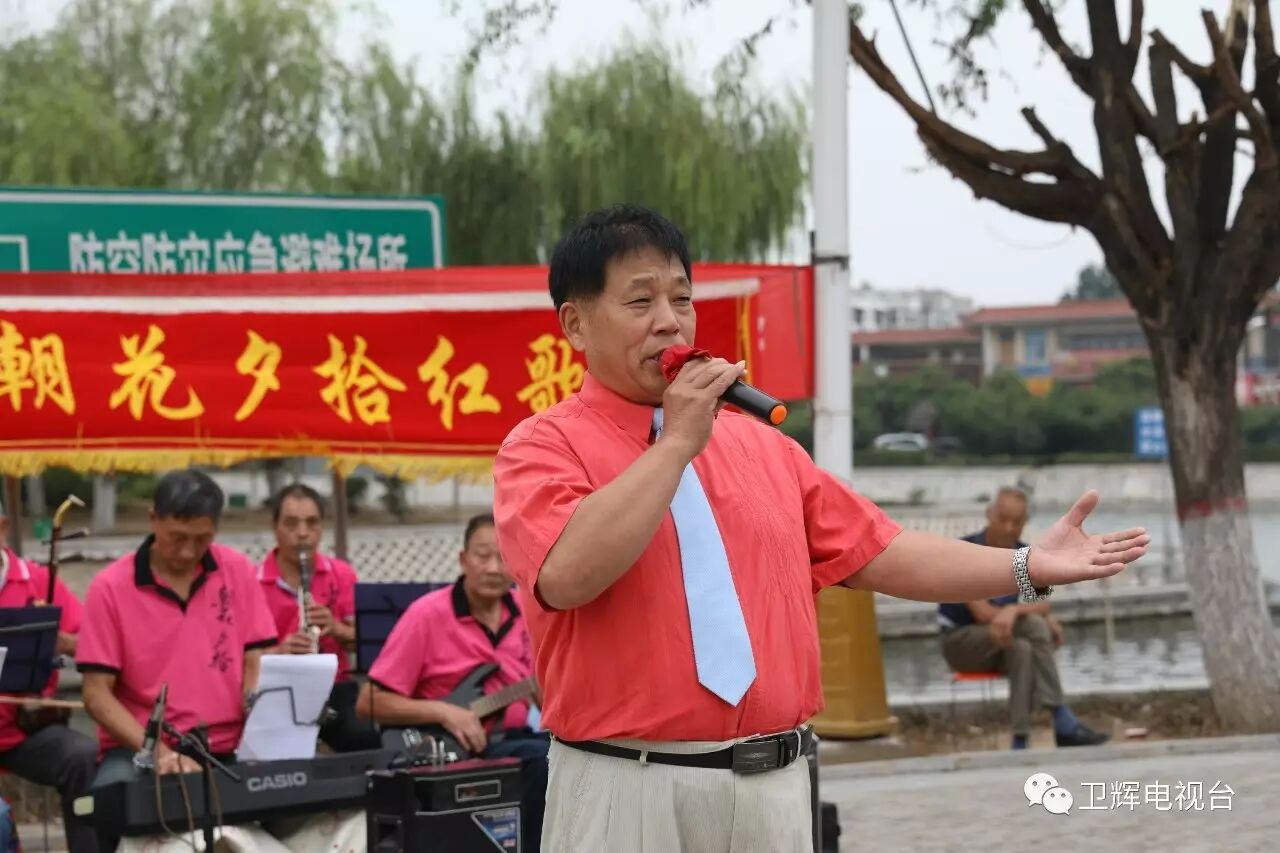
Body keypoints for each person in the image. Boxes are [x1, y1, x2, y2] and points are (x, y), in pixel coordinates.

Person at [491, 203, 1150, 852]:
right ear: (576, 324)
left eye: (682, 298)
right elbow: (567, 574)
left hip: (774, 788)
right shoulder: (542, 447)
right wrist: (676, 445)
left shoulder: (762, 447)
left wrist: (1027, 565)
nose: (669, 321)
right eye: (640, 301)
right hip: (627, 789)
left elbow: (886, 550)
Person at [76, 470, 279, 849]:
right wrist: (159, 754)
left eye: (202, 540)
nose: (188, 552)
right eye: (177, 538)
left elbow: (256, 654)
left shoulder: (235, 569)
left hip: (228, 745)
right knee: (108, 803)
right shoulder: (110, 588)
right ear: (153, 519)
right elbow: (96, 695)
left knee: (294, 805)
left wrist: (258, 712)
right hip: (141, 749)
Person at [356, 513, 548, 852]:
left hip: (512, 738)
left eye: (503, 556)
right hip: (449, 749)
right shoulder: (427, 614)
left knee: (568, 756)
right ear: (462, 559)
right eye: (482, 555)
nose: (493, 568)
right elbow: (369, 702)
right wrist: (444, 712)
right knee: (544, 760)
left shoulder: (526, 610)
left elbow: (544, 697)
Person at [939, 487, 1109, 749]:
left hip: (1004, 640)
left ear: (1025, 522)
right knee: (1034, 626)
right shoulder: (966, 551)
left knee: (1023, 649)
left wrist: (1015, 611)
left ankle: (1020, 739)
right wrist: (1026, 616)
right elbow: (982, 613)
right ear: (989, 514)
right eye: (1003, 519)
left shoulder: (1024, 555)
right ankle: (1062, 718)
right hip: (961, 642)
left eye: (1016, 522)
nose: (1009, 528)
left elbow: (1043, 604)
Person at [0, 499, 100, 852]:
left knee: (83, 757)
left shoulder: (38, 582)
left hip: (24, 731)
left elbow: (97, 645)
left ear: (2, 528)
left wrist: (62, 641)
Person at [258, 482, 379, 752]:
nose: (302, 533)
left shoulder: (342, 574)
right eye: (291, 524)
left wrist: (335, 628)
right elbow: (243, 657)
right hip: (279, 689)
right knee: (277, 752)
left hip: (336, 685)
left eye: (312, 523)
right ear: (274, 526)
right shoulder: (253, 582)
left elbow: (365, 641)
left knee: (365, 737)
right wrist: (280, 652)